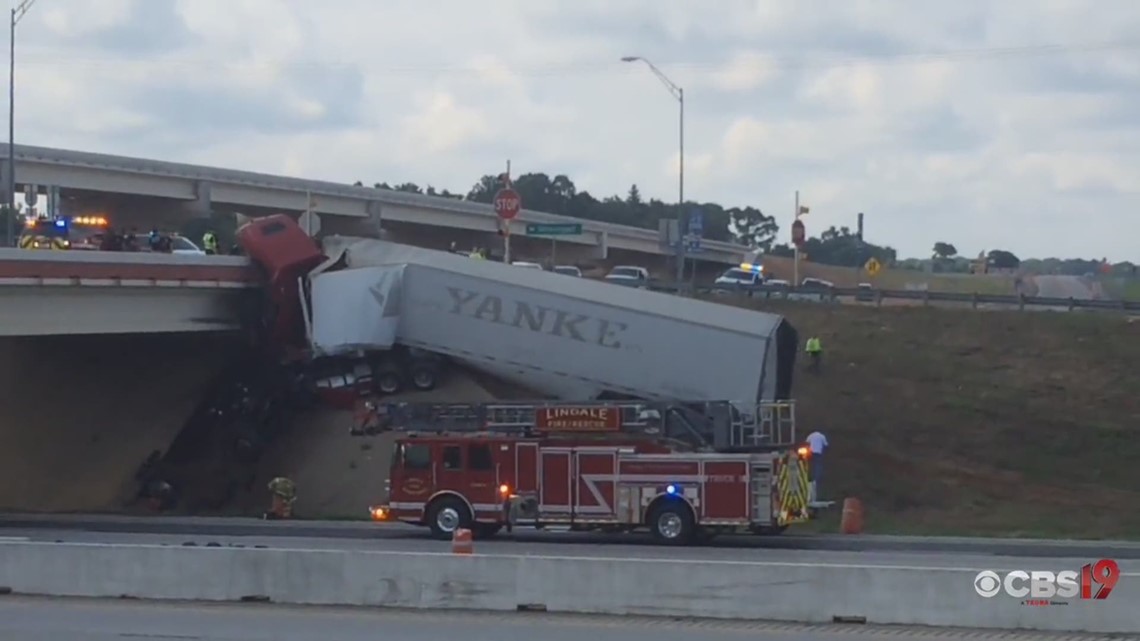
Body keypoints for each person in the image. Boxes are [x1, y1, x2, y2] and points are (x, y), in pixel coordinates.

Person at [805, 430, 828, 502]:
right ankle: (816, 477)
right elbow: (826, 444)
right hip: (818, 453)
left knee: (811, 464)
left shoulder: (811, 435)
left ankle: (809, 475)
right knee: (818, 465)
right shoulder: (822, 436)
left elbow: (807, 442)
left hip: (811, 453)